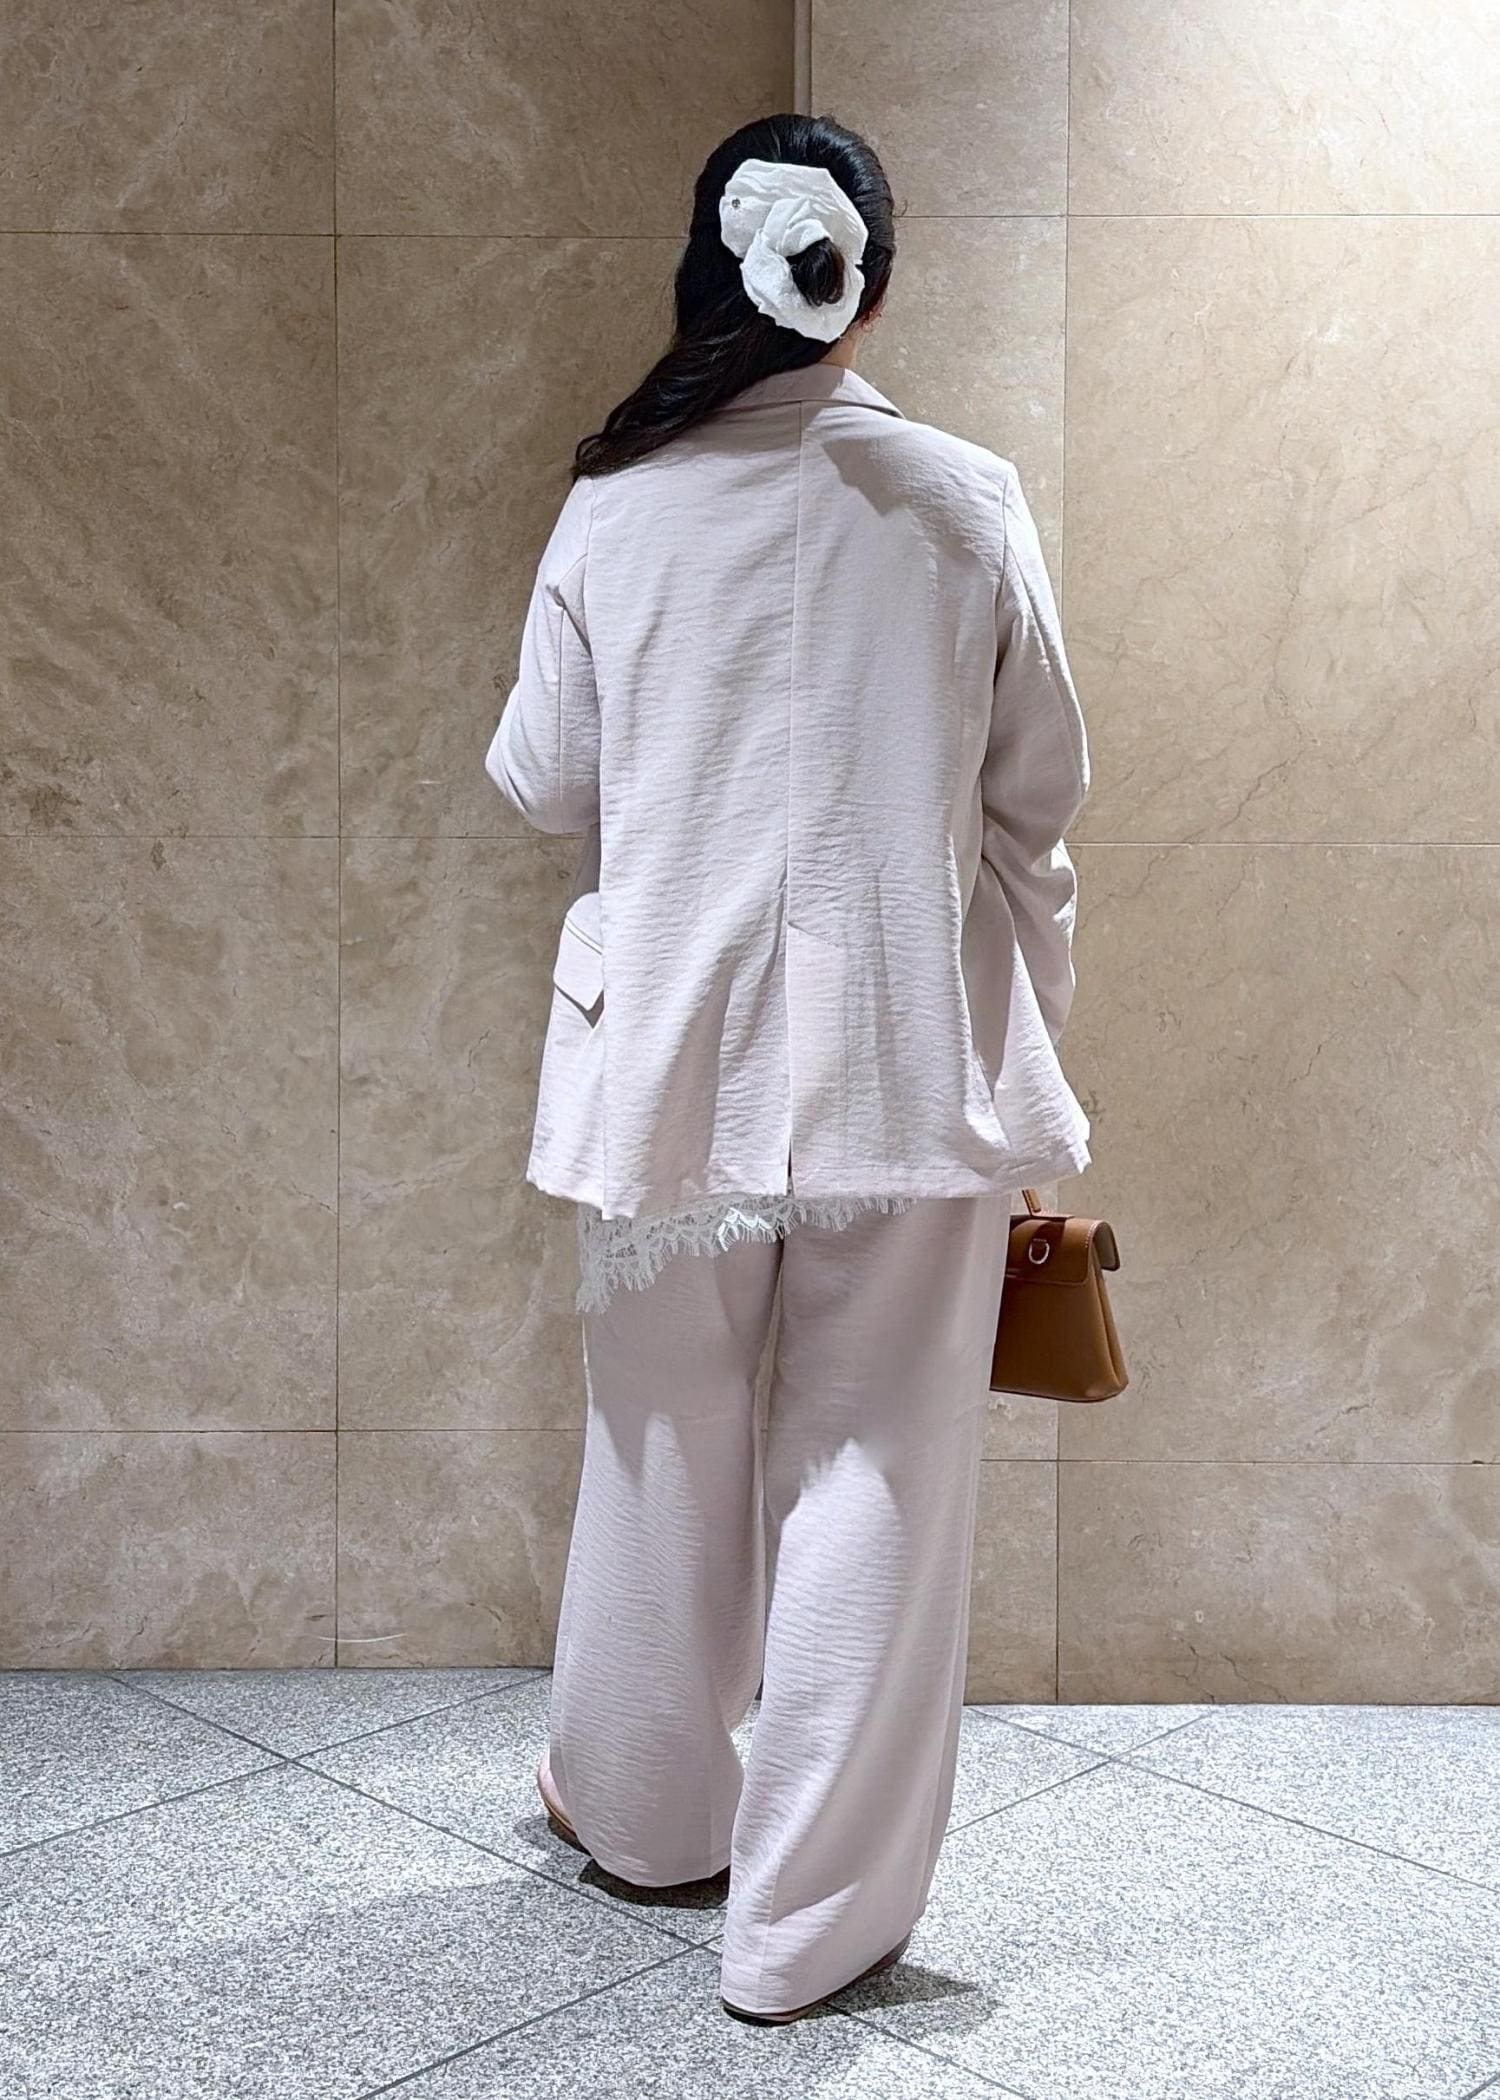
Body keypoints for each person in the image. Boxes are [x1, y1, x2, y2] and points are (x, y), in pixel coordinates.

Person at [485, 111, 1090, 2024]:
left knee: (658, 1440)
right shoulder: (966, 501)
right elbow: (1040, 802)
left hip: (667, 1066)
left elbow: (543, 782)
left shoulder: (619, 501)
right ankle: (808, 1931)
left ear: (705, 271)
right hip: (906, 1064)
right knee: (878, 1462)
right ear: (873, 290)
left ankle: (647, 1814)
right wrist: (1036, 1064)